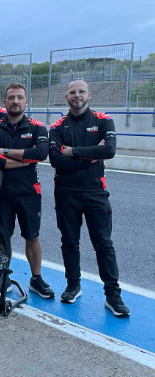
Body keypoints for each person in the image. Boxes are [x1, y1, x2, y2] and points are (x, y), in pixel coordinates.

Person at [49, 79, 129, 316]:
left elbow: (109, 151)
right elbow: (55, 160)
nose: (77, 95)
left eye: (81, 91)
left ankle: (113, 295)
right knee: (70, 242)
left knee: (104, 244)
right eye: (72, 92)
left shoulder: (104, 120)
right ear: (66, 97)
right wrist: (91, 157)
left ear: (89, 95)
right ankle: (73, 285)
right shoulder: (57, 127)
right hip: (66, 192)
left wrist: (73, 152)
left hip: (95, 193)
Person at [0, 83, 54, 298]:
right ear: (4, 102)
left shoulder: (37, 127)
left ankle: (36, 279)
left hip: (28, 192)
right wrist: (22, 159)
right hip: (0, 193)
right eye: (11, 97)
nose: (15, 101)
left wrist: (4, 152)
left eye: (19, 97)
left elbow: (41, 153)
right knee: (3, 237)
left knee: (32, 236)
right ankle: (3, 276)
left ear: (26, 102)